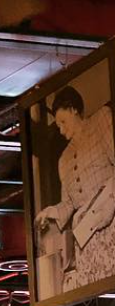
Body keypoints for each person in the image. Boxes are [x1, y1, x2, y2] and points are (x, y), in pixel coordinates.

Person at [34, 85, 115, 295]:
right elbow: (68, 203)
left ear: (73, 110)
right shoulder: (64, 159)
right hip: (85, 235)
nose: (61, 129)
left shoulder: (100, 120)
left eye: (62, 121)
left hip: (110, 218)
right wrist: (51, 211)